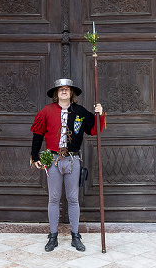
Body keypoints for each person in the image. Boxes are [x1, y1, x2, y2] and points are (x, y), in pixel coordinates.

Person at [30, 78, 105, 253]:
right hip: (53, 160)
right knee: (54, 198)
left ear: (71, 93)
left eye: (67, 89)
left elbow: (94, 130)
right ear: (56, 93)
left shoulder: (80, 111)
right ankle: (53, 235)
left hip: (73, 160)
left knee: (73, 199)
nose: (64, 91)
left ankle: (75, 235)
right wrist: (34, 156)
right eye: (61, 89)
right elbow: (37, 134)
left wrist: (99, 114)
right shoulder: (46, 111)